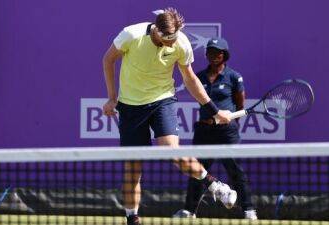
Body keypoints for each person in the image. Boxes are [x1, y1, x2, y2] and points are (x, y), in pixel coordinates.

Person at [102, 8, 237, 225]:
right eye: (168, 39)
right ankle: (132, 219)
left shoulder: (180, 43)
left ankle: (214, 185)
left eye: (174, 37)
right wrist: (111, 97)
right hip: (130, 106)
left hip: (162, 100)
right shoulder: (132, 35)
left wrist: (214, 110)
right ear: (156, 30)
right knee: (133, 167)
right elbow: (108, 60)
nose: (172, 43)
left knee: (172, 151)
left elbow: (190, 78)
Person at [173, 38, 258, 220]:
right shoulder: (200, 77)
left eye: (217, 52)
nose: (213, 56)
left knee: (235, 171)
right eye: (210, 52)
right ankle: (189, 211)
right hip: (204, 131)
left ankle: (248, 210)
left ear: (224, 55)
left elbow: (239, 102)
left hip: (227, 131)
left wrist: (231, 122)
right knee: (197, 171)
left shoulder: (234, 77)